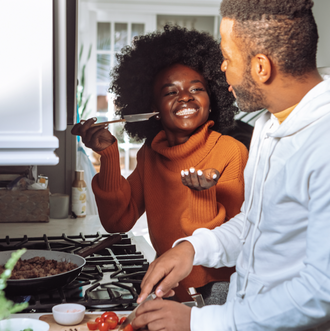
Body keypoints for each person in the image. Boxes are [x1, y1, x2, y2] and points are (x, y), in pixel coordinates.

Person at [133, 1, 330, 330]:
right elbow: (259, 224)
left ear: (260, 67)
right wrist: (192, 248)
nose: (222, 68)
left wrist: (200, 322)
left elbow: (325, 293)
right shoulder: (273, 126)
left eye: (227, 57)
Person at [71, 26, 249, 303]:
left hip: (216, 296)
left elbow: (236, 242)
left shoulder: (231, 152)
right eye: (170, 92)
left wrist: (202, 195)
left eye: (196, 89)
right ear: (151, 108)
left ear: (212, 100)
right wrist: (108, 155)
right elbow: (118, 221)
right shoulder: (150, 155)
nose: (185, 96)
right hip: (168, 290)